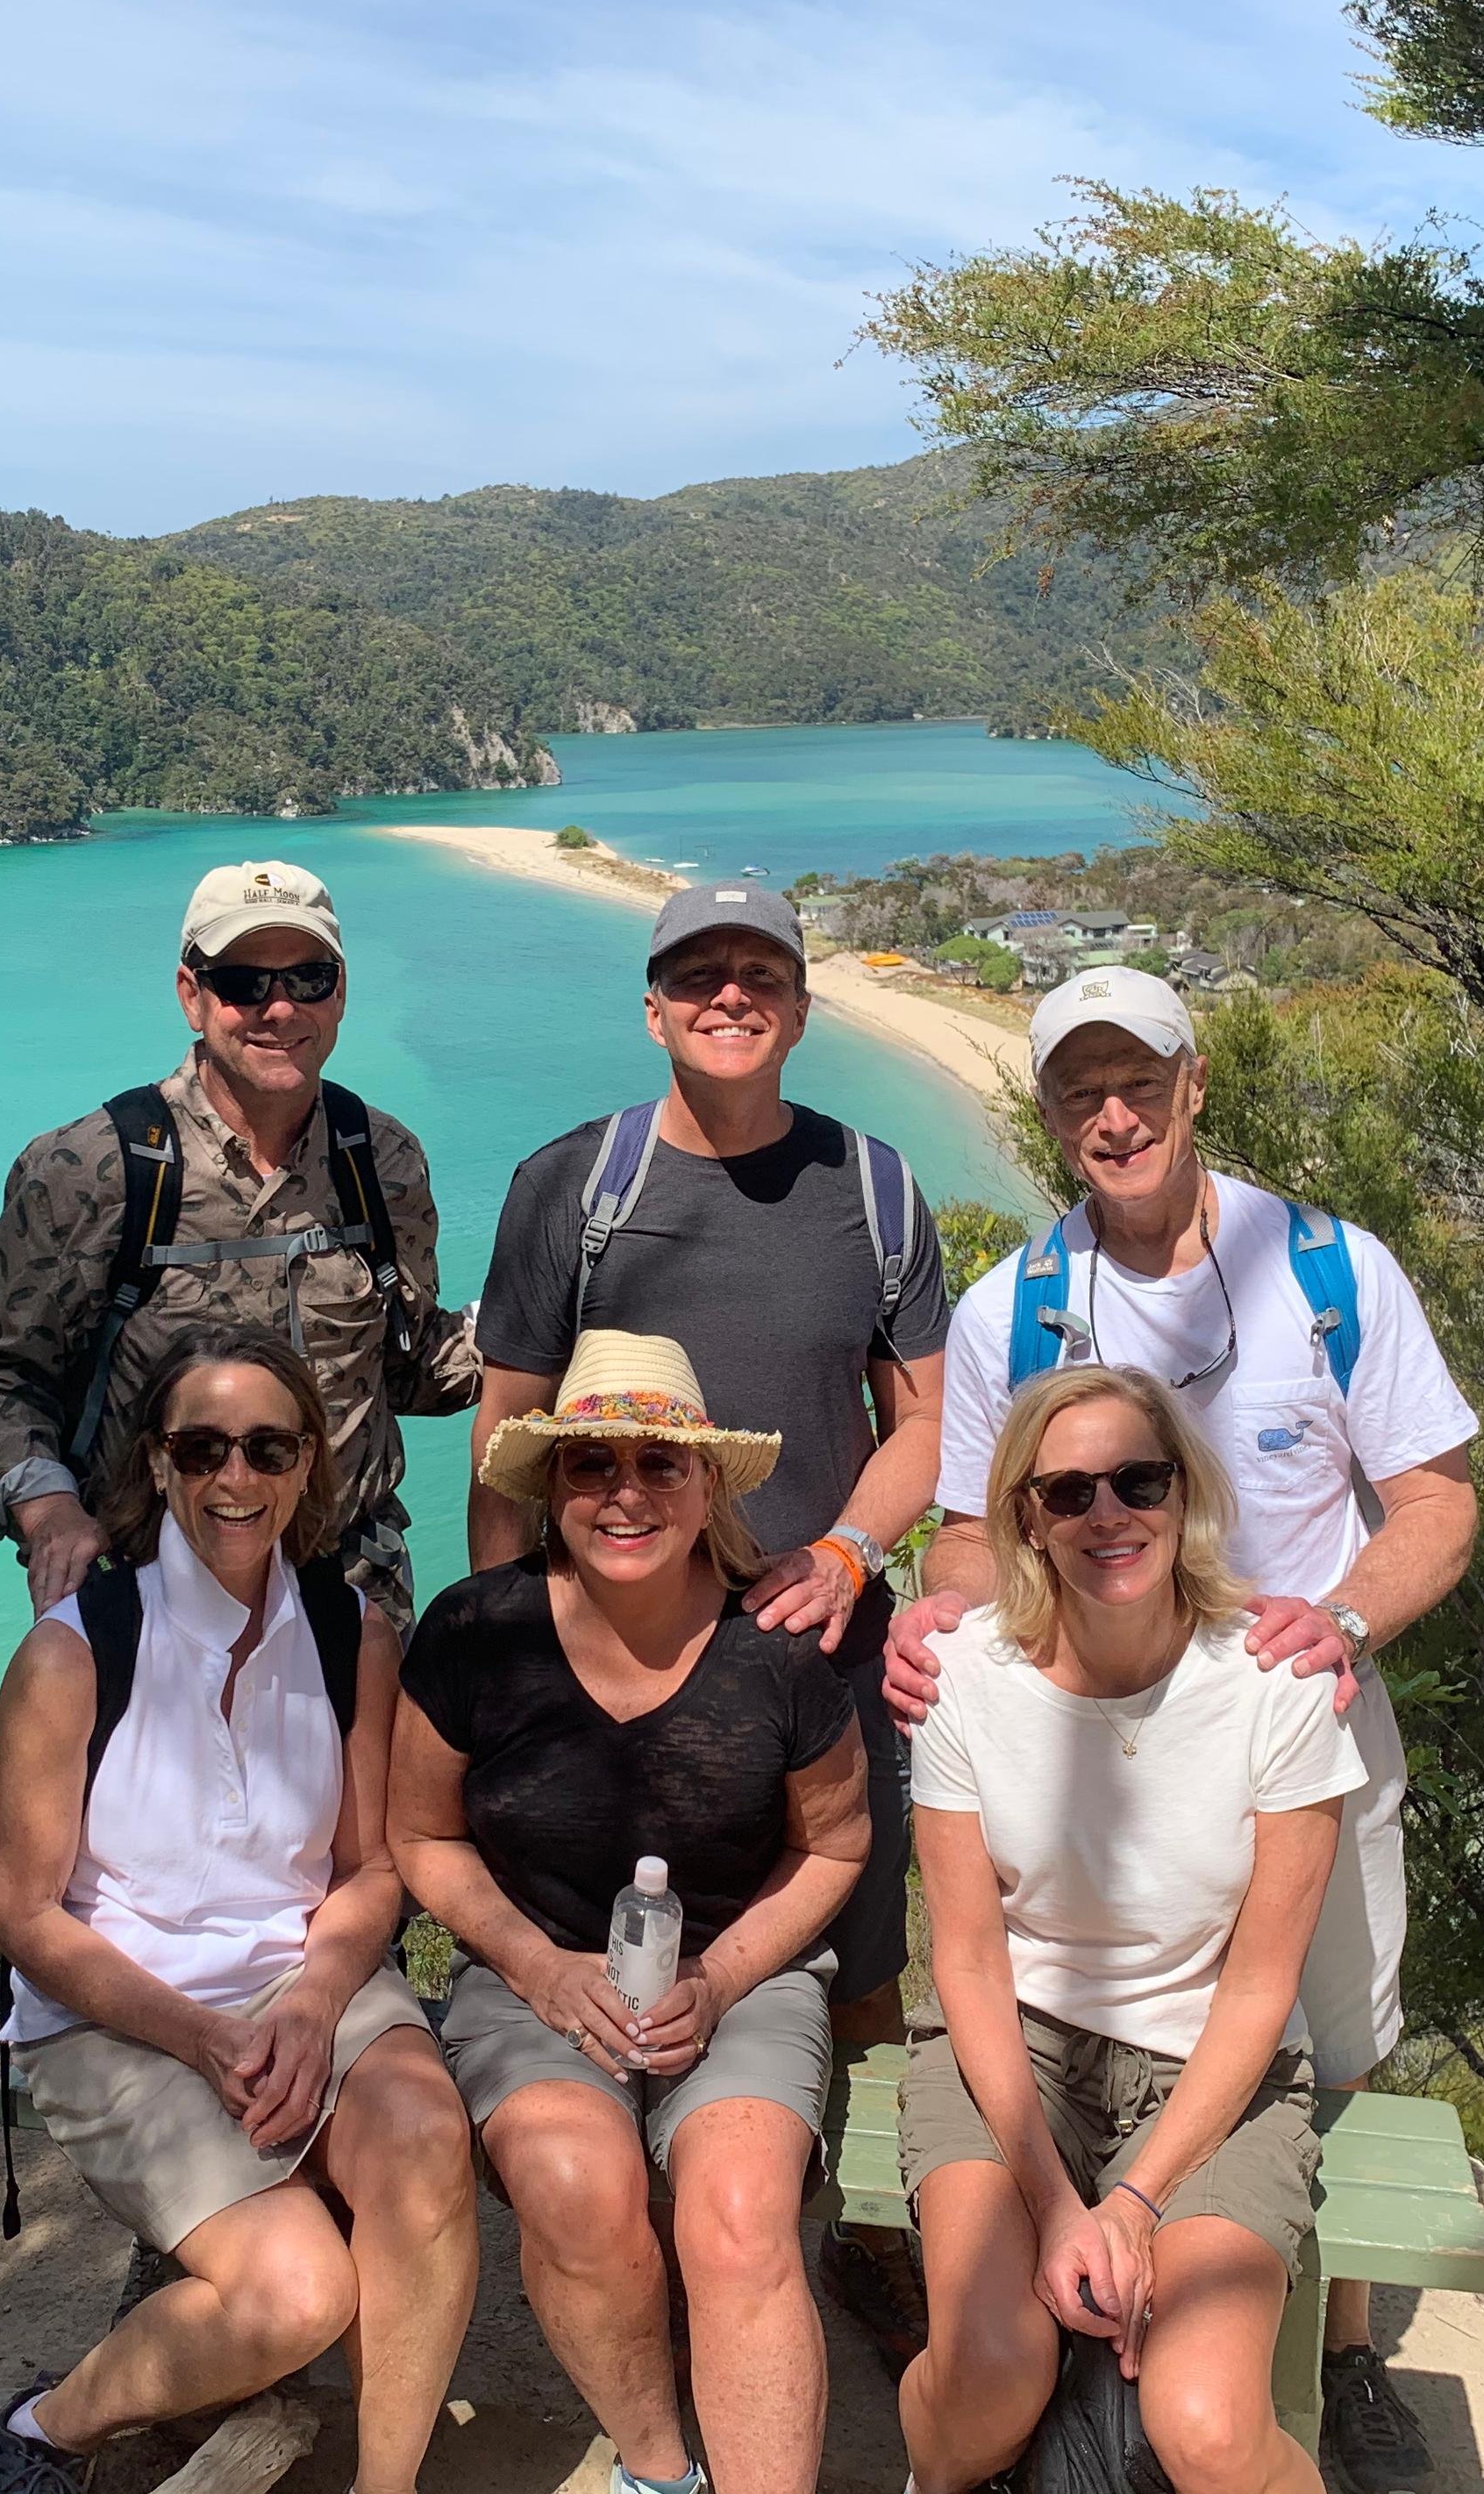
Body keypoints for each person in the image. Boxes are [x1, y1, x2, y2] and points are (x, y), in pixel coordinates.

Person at [888, 964, 1476, 2492]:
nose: (1114, 1111)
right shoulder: (1010, 1304)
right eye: (1080, 1087)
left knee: (1324, 2043)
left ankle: (1336, 2353)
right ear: (1052, 1113)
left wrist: (1336, 1624)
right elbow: (969, 1530)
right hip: (1077, 1720)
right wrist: (945, 1620)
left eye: (1137, 1078)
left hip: (1299, 1715)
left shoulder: (1332, 1272)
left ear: (1194, 1082)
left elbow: (1437, 1506)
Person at [467, 878, 945, 2351]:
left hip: (816, 1656)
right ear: (656, 1006)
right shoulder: (577, 1185)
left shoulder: (871, 1187)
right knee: (620, 1928)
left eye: (759, 975)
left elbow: (924, 1419)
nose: (729, 996)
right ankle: (635, 2225)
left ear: (800, 1007)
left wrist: (855, 1553)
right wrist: (505, 1648)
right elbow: (508, 1428)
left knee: (849, 1958)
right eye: (697, 975)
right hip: (614, 1650)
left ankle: (840, 2224)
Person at [0, 1327, 477, 2494]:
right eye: (201, 1449)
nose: (233, 1479)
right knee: (295, 2294)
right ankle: (52, 2424)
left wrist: (307, 2007)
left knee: (425, 2141)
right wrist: (203, 2038)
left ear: (307, 1469)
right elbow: (24, 1915)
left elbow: (369, 1871)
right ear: (157, 1465)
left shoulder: (355, 1636)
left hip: (309, 1975)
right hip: (116, 2014)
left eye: (266, 1448)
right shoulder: (76, 1652)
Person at [394, 1331, 870, 2494]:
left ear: (708, 1484)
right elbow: (420, 1835)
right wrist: (538, 1965)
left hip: (739, 1972)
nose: (626, 1492)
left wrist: (723, 1978)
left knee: (740, 2218)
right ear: (550, 1488)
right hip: (528, 1973)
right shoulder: (474, 1634)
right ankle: (660, 2469)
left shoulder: (779, 1649)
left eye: (660, 1464)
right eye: (590, 1464)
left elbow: (835, 1844)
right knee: (577, 2192)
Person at [901, 1364, 1359, 2494]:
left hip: (1214, 2072)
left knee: (1204, 2426)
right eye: (1067, 1494)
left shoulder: (1276, 1688)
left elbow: (1258, 1989)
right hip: (1015, 2054)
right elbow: (965, 1955)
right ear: (1027, 1521)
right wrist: (1059, 2208)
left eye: (1138, 1480)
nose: (1108, 1514)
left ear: (1183, 1493)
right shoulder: (962, 1682)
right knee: (989, 2372)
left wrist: (1134, 2202)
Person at [0, 858, 481, 1627]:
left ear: (342, 990)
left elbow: (408, 1362)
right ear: (193, 995)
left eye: (308, 979)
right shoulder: (92, 1168)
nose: (280, 1009)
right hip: (150, 1596)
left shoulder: (381, 1160)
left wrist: (553, 1319)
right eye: (244, 983)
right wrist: (48, 1508)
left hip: (353, 1600)